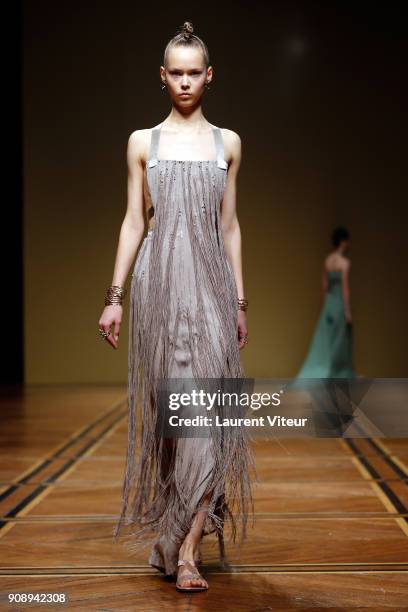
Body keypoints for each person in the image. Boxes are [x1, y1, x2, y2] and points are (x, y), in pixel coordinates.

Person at [98, 21, 255, 593]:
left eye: (195, 73)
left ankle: (188, 550)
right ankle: (170, 533)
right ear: (162, 76)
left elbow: (230, 226)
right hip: (159, 288)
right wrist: (114, 298)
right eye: (176, 73)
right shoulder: (145, 142)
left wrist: (239, 301)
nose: (185, 82)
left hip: (211, 289)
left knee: (213, 420)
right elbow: (134, 221)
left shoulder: (227, 143)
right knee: (172, 424)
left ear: (209, 77)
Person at [295, 226, 355, 379]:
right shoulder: (344, 263)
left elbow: (324, 286)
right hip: (339, 303)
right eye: (347, 241)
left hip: (329, 303)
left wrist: (324, 306)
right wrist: (348, 311)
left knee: (328, 338)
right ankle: (337, 372)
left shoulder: (328, 260)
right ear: (343, 242)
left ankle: (328, 369)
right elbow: (345, 288)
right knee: (340, 338)